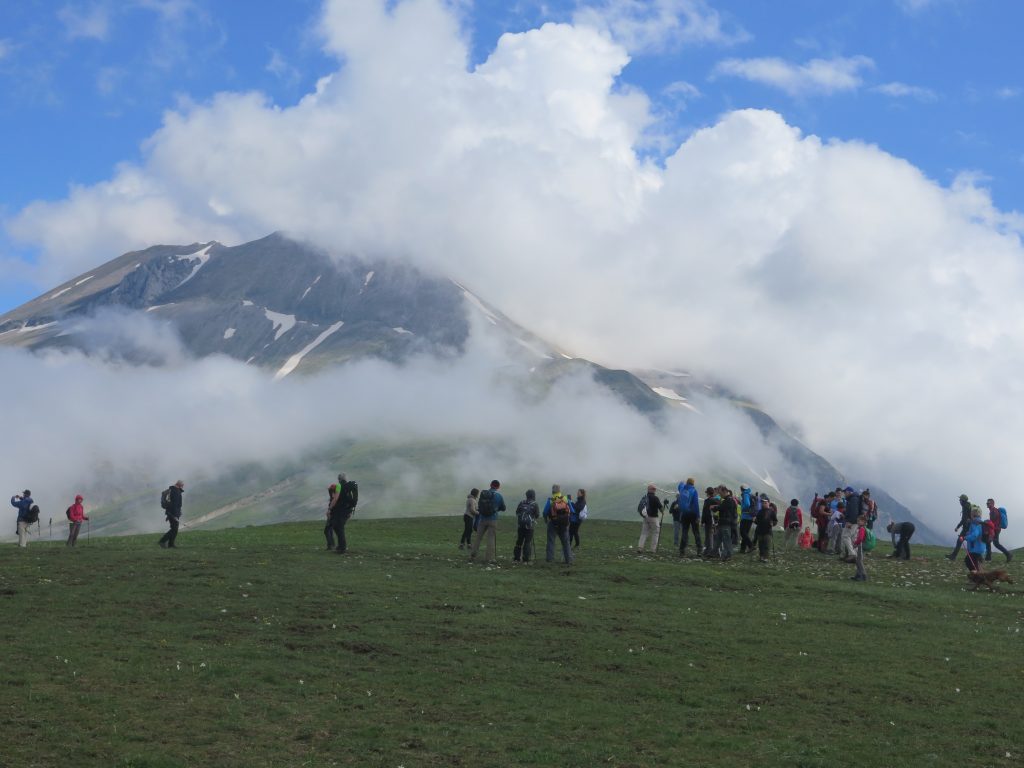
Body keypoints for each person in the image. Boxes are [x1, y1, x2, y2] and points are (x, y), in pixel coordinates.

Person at [470, 480, 505, 564]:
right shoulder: (499, 496)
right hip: (493, 519)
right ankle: (489, 558)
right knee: (491, 538)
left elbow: (480, 505)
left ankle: (473, 555)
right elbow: (503, 507)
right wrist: (496, 509)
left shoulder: (483, 494)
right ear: (498, 487)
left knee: (478, 538)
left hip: (482, 519)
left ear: (490, 485)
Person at [543, 484, 574, 564]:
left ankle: (550, 559)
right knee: (566, 542)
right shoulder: (565, 498)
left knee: (551, 541)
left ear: (552, 491)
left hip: (553, 523)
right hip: (564, 524)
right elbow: (572, 510)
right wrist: (568, 520)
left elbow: (545, 512)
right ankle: (568, 559)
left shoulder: (550, 500)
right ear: (560, 491)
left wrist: (546, 520)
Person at [329, 473, 359, 554]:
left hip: (341, 510)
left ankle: (342, 548)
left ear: (339, 479)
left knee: (338, 527)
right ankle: (341, 546)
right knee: (337, 526)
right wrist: (350, 510)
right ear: (345, 478)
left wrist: (330, 508)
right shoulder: (349, 487)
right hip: (348, 509)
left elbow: (335, 499)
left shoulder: (339, 486)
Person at [513, 489, 540, 563]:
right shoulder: (535, 504)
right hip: (529, 526)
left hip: (520, 525)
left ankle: (516, 558)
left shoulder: (522, 502)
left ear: (526, 495)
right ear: (533, 495)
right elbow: (537, 515)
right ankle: (526, 559)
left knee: (519, 541)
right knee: (527, 542)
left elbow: (517, 512)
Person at [677, 478, 701, 556]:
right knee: (696, 532)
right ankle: (699, 550)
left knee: (684, 532)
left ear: (687, 482)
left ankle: (682, 550)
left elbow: (680, 484)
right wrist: (698, 516)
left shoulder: (682, 488)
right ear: (693, 484)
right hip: (693, 514)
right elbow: (696, 505)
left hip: (684, 514)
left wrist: (682, 482)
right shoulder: (694, 491)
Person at [636, 484, 663, 554]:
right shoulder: (655, 498)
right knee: (655, 533)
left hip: (645, 517)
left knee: (644, 533)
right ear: (653, 490)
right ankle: (652, 549)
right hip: (653, 518)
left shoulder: (645, 497)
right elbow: (661, 508)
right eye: (654, 489)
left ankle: (640, 547)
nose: (655, 490)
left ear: (648, 490)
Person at [158, 480, 184, 549]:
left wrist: (179, 512)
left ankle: (171, 544)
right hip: (172, 513)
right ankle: (162, 541)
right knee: (174, 529)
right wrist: (175, 515)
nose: (183, 486)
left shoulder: (173, 490)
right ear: (179, 485)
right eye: (182, 485)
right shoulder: (175, 491)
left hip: (172, 513)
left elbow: (176, 504)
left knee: (175, 529)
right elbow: (174, 505)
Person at [985, 498, 1012, 563]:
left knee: (991, 542)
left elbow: (993, 522)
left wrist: (987, 524)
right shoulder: (993, 510)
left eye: (988, 503)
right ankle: (988, 558)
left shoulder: (993, 511)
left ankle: (1008, 554)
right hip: (996, 529)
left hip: (995, 529)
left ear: (992, 504)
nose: (987, 504)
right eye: (987, 503)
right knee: (993, 543)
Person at [959, 506, 986, 572]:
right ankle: (979, 576)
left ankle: (977, 578)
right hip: (980, 547)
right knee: (974, 563)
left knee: (969, 561)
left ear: (973, 514)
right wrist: (968, 533)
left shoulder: (975, 523)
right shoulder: (981, 523)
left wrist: (965, 538)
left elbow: (974, 535)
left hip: (975, 548)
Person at [948, 494, 973, 560]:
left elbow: (964, 519)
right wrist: (958, 527)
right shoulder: (967, 506)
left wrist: (958, 527)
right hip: (969, 527)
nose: (959, 501)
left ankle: (953, 556)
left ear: (963, 500)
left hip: (967, 528)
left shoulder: (965, 507)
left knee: (960, 541)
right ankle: (978, 558)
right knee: (970, 542)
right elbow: (965, 519)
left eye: (960, 500)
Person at [754, 495, 777, 562]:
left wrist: (773, 523)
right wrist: (755, 520)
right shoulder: (760, 512)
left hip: (768, 531)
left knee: (767, 545)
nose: (764, 504)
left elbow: (775, 520)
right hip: (760, 530)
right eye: (763, 503)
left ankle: (766, 557)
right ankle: (761, 556)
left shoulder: (772, 512)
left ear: (768, 503)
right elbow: (757, 521)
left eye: (765, 503)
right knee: (761, 545)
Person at [716, 488, 738, 561]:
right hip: (724, 522)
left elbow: (722, 508)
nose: (720, 495)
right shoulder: (728, 500)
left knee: (726, 540)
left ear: (724, 492)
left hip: (726, 522)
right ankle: (714, 552)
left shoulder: (729, 500)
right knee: (719, 538)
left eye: (721, 493)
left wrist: (715, 507)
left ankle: (727, 555)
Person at [701, 486, 719, 557]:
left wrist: (702, 521)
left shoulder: (707, 501)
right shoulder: (716, 500)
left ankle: (709, 551)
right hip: (715, 520)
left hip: (709, 521)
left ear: (708, 493)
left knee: (709, 536)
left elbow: (704, 512)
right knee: (713, 536)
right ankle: (711, 550)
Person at [739, 486, 757, 554]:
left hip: (745, 516)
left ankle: (750, 545)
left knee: (742, 532)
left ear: (742, 489)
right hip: (750, 516)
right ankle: (742, 549)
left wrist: (742, 508)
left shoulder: (745, 494)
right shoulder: (750, 494)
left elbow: (747, 504)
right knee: (745, 533)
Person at [851, 515, 868, 581]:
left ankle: (863, 576)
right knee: (858, 561)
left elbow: (860, 538)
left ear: (863, 522)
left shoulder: (862, 529)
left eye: (859, 521)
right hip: (860, 546)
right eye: (857, 521)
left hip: (860, 546)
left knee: (859, 561)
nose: (857, 522)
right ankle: (858, 575)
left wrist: (855, 543)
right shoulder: (862, 528)